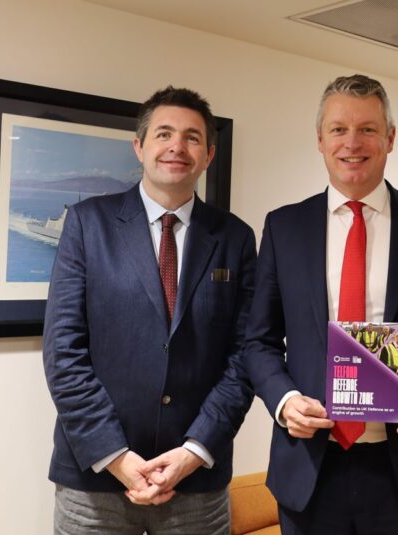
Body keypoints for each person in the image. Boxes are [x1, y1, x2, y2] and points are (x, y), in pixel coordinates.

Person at [243, 74, 398, 535]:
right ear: (320, 140)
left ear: (390, 138)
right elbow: (258, 340)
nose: (353, 142)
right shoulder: (284, 227)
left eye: (367, 129)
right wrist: (284, 401)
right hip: (309, 468)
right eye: (339, 129)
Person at [43, 86, 256, 534]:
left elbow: (244, 357)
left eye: (192, 137)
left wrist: (193, 452)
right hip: (95, 479)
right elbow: (64, 353)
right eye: (163, 134)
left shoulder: (235, 238)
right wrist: (117, 457)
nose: (177, 146)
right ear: (139, 147)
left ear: (209, 155)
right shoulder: (87, 224)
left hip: (196, 481)